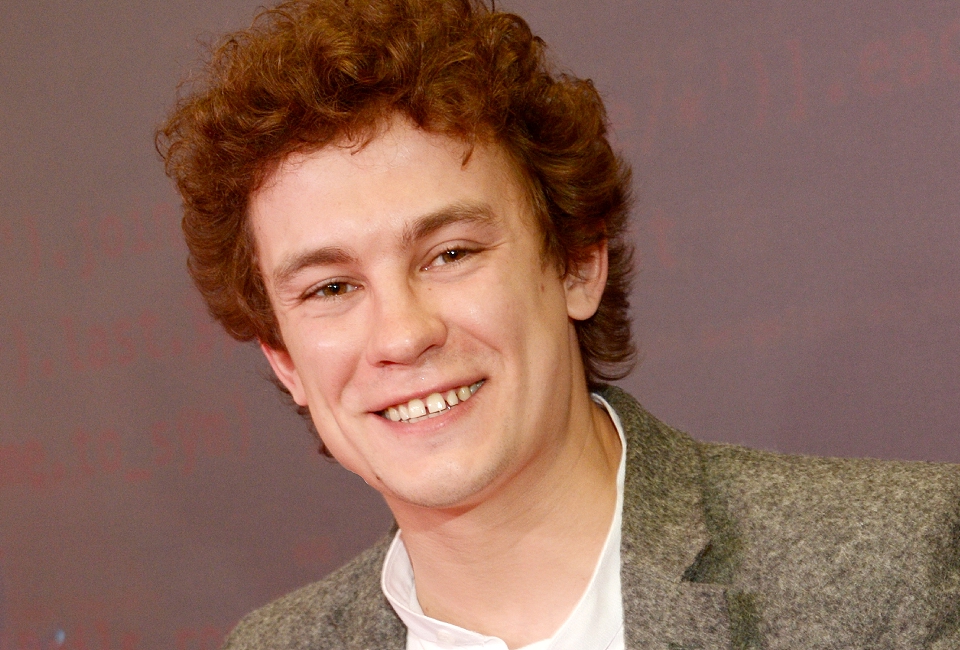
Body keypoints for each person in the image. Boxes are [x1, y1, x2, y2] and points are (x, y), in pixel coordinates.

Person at [157, 0, 960, 647]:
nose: (401, 335)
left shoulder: (899, 568)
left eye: (451, 254)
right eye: (332, 288)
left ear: (577, 263)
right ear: (283, 359)